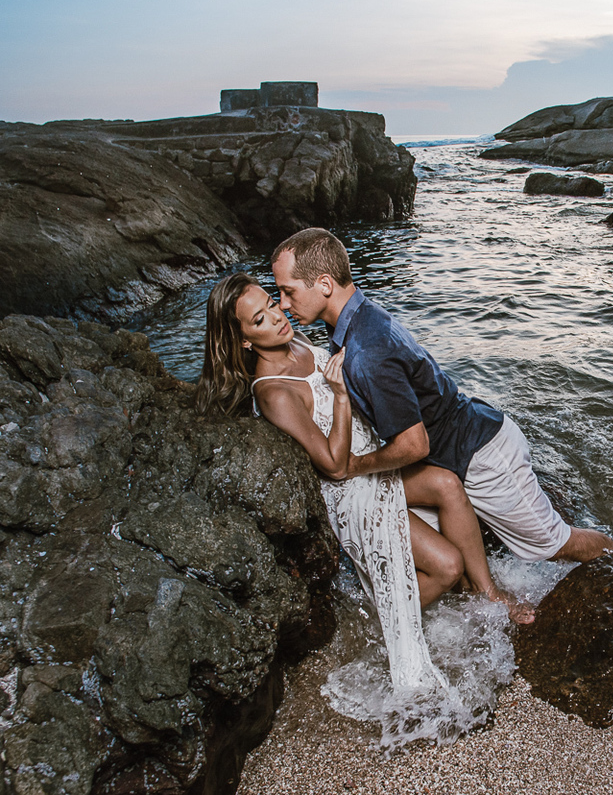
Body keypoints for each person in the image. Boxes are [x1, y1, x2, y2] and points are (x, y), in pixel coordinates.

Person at [196, 274, 531, 685]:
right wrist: (339, 395)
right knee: (446, 567)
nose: (277, 317)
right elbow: (334, 466)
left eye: (272, 302)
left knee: (447, 484)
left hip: (369, 460)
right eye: (259, 319)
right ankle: (381, 614)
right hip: (348, 490)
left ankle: (488, 594)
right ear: (244, 340)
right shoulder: (274, 392)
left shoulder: (296, 341)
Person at [269, 227, 613, 564]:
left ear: (325, 285)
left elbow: (413, 446)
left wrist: (357, 466)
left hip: (481, 457)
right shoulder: (358, 317)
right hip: (457, 450)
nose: (283, 304)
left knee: (557, 545)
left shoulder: (366, 351)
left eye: (289, 291)